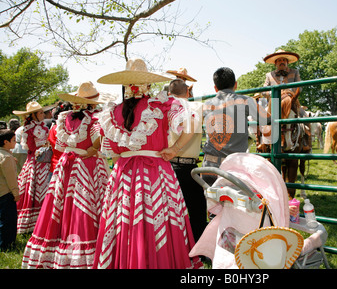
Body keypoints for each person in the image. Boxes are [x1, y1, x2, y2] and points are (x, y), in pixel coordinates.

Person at [92, 58, 202, 269]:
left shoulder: (112, 113)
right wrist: (174, 149)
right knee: (160, 220)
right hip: (156, 173)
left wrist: (128, 159)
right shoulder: (161, 105)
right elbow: (190, 121)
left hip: (123, 175)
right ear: (148, 85)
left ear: (125, 87)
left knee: (124, 221)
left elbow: (113, 154)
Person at [21, 82, 111, 269]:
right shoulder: (94, 119)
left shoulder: (64, 118)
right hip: (87, 165)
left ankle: (58, 248)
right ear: (92, 103)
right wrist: (93, 149)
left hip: (66, 164)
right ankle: (85, 251)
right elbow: (102, 140)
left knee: (61, 205)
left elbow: (59, 144)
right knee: (85, 205)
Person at [202, 67, 271, 185]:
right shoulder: (245, 101)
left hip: (208, 168)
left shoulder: (206, 105)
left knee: (210, 201)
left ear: (215, 88)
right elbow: (267, 119)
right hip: (234, 169)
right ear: (236, 85)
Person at [168, 78, 207, 242]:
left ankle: (175, 245)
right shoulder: (196, 107)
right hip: (190, 168)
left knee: (171, 211)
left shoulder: (165, 109)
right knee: (197, 209)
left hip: (168, 166)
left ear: (169, 94)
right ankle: (197, 245)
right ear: (187, 92)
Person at [12, 101, 51, 234]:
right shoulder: (29, 129)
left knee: (43, 188)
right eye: (40, 113)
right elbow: (31, 148)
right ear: (33, 115)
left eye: (42, 112)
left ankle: (42, 220)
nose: (42, 114)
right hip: (36, 162)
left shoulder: (42, 127)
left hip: (44, 161)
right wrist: (43, 148)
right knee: (33, 188)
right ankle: (31, 222)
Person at [262, 49, 307, 117]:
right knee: (260, 119)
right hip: (273, 104)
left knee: (304, 116)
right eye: (279, 60)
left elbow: (299, 88)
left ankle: (307, 127)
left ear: (287, 62)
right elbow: (263, 91)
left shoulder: (295, 72)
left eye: (284, 60)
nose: (282, 62)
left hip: (291, 103)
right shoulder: (269, 75)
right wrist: (272, 93)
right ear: (275, 63)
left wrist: (290, 91)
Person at [0, 129, 19, 251]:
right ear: (6, 142)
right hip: (6, 193)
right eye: (13, 140)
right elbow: (11, 178)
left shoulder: (5, 155)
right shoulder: (7, 157)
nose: (15, 142)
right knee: (8, 220)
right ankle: (6, 244)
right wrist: (16, 193)